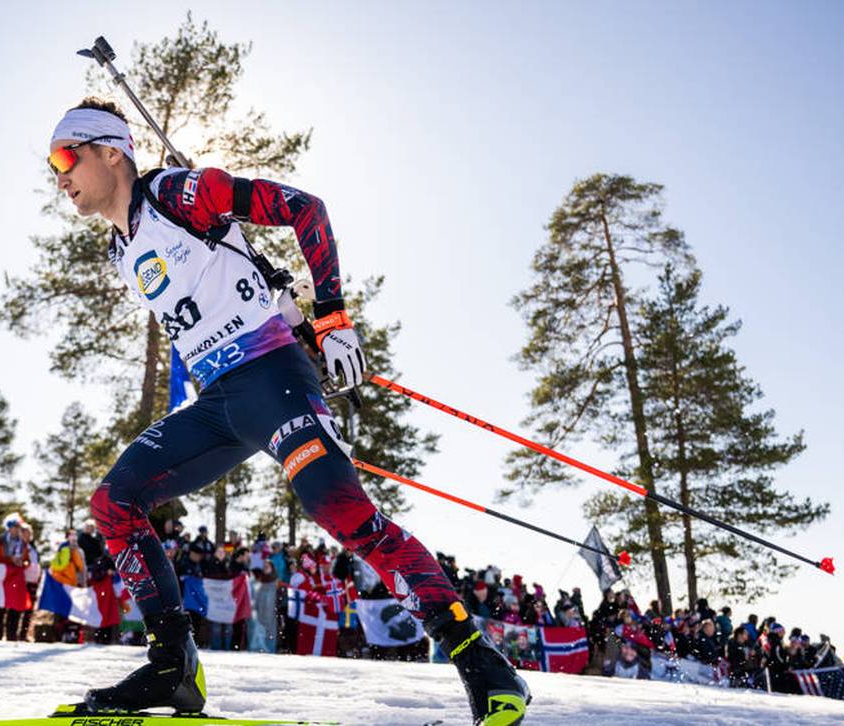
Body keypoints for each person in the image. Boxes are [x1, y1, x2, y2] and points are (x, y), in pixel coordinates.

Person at [50, 99, 528, 722]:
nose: (58, 175)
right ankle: (173, 668)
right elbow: (228, 283)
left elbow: (307, 210)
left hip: (273, 381)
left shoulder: (177, 194)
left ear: (111, 151)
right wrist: (281, 300)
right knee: (114, 500)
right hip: (218, 401)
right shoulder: (122, 245)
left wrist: (328, 318)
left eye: (65, 156)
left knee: (343, 512)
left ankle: (485, 666)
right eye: (50, 165)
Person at [0, 514, 32, 641]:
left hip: (16, 578)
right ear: (9, 528)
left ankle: (11, 635)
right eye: (14, 527)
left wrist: (23, 564)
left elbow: (27, 560)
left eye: (18, 527)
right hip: (3, 577)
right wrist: (10, 559)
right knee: (0, 606)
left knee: (15, 606)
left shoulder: (23, 543)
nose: (17, 530)